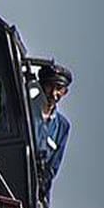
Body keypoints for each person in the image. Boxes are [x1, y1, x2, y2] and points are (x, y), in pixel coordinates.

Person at [33, 62, 72, 198]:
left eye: (59, 88)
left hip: (38, 195)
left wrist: (43, 181)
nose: (54, 93)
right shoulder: (23, 111)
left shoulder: (62, 126)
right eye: (50, 86)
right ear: (41, 86)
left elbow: (53, 166)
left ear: (65, 92)